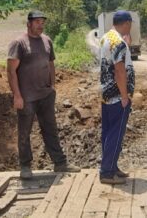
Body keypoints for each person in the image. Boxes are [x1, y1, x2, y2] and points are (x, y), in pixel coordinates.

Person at [7, 10, 80, 179]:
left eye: (42, 22)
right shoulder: (19, 43)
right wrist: (17, 96)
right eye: (37, 22)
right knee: (24, 132)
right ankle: (25, 166)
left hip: (46, 95)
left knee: (50, 129)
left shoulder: (47, 41)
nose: (41, 25)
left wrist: (53, 85)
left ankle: (60, 163)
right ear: (29, 24)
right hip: (27, 98)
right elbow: (11, 72)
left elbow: (50, 64)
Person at [97, 10, 136, 185]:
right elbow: (120, 70)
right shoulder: (118, 42)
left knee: (108, 132)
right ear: (127, 23)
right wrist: (124, 95)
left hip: (106, 94)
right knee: (116, 133)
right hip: (117, 96)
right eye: (130, 24)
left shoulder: (107, 38)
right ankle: (107, 172)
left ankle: (111, 166)